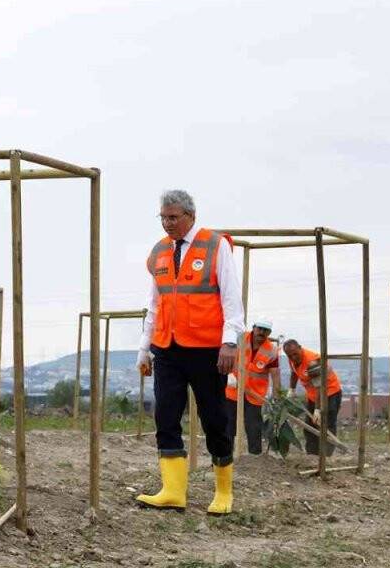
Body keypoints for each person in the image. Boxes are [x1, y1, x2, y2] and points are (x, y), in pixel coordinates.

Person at [135, 190, 244, 515]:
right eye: (163, 217)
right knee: (165, 416)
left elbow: (231, 298)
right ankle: (172, 492)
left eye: (173, 217)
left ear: (190, 216)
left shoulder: (215, 246)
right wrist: (144, 347)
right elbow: (155, 303)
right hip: (167, 348)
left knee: (214, 419)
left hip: (207, 349)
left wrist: (230, 342)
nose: (167, 223)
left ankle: (223, 492)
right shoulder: (160, 252)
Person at [225, 319, 281, 455]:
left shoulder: (272, 350)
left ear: (269, 333)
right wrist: (229, 374)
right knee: (228, 424)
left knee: (254, 426)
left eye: (265, 330)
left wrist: (276, 397)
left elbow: (275, 375)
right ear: (253, 328)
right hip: (233, 389)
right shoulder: (239, 338)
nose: (261, 332)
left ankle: (255, 457)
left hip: (254, 394)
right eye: (259, 328)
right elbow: (226, 355)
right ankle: (225, 455)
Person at [283, 339, 342, 456]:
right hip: (313, 396)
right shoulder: (292, 359)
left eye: (295, 354)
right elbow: (294, 372)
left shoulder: (312, 362)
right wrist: (292, 389)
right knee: (310, 426)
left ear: (300, 348)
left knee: (326, 426)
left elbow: (320, 387)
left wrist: (317, 409)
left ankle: (326, 456)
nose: (293, 357)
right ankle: (312, 455)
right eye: (290, 356)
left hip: (329, 394)